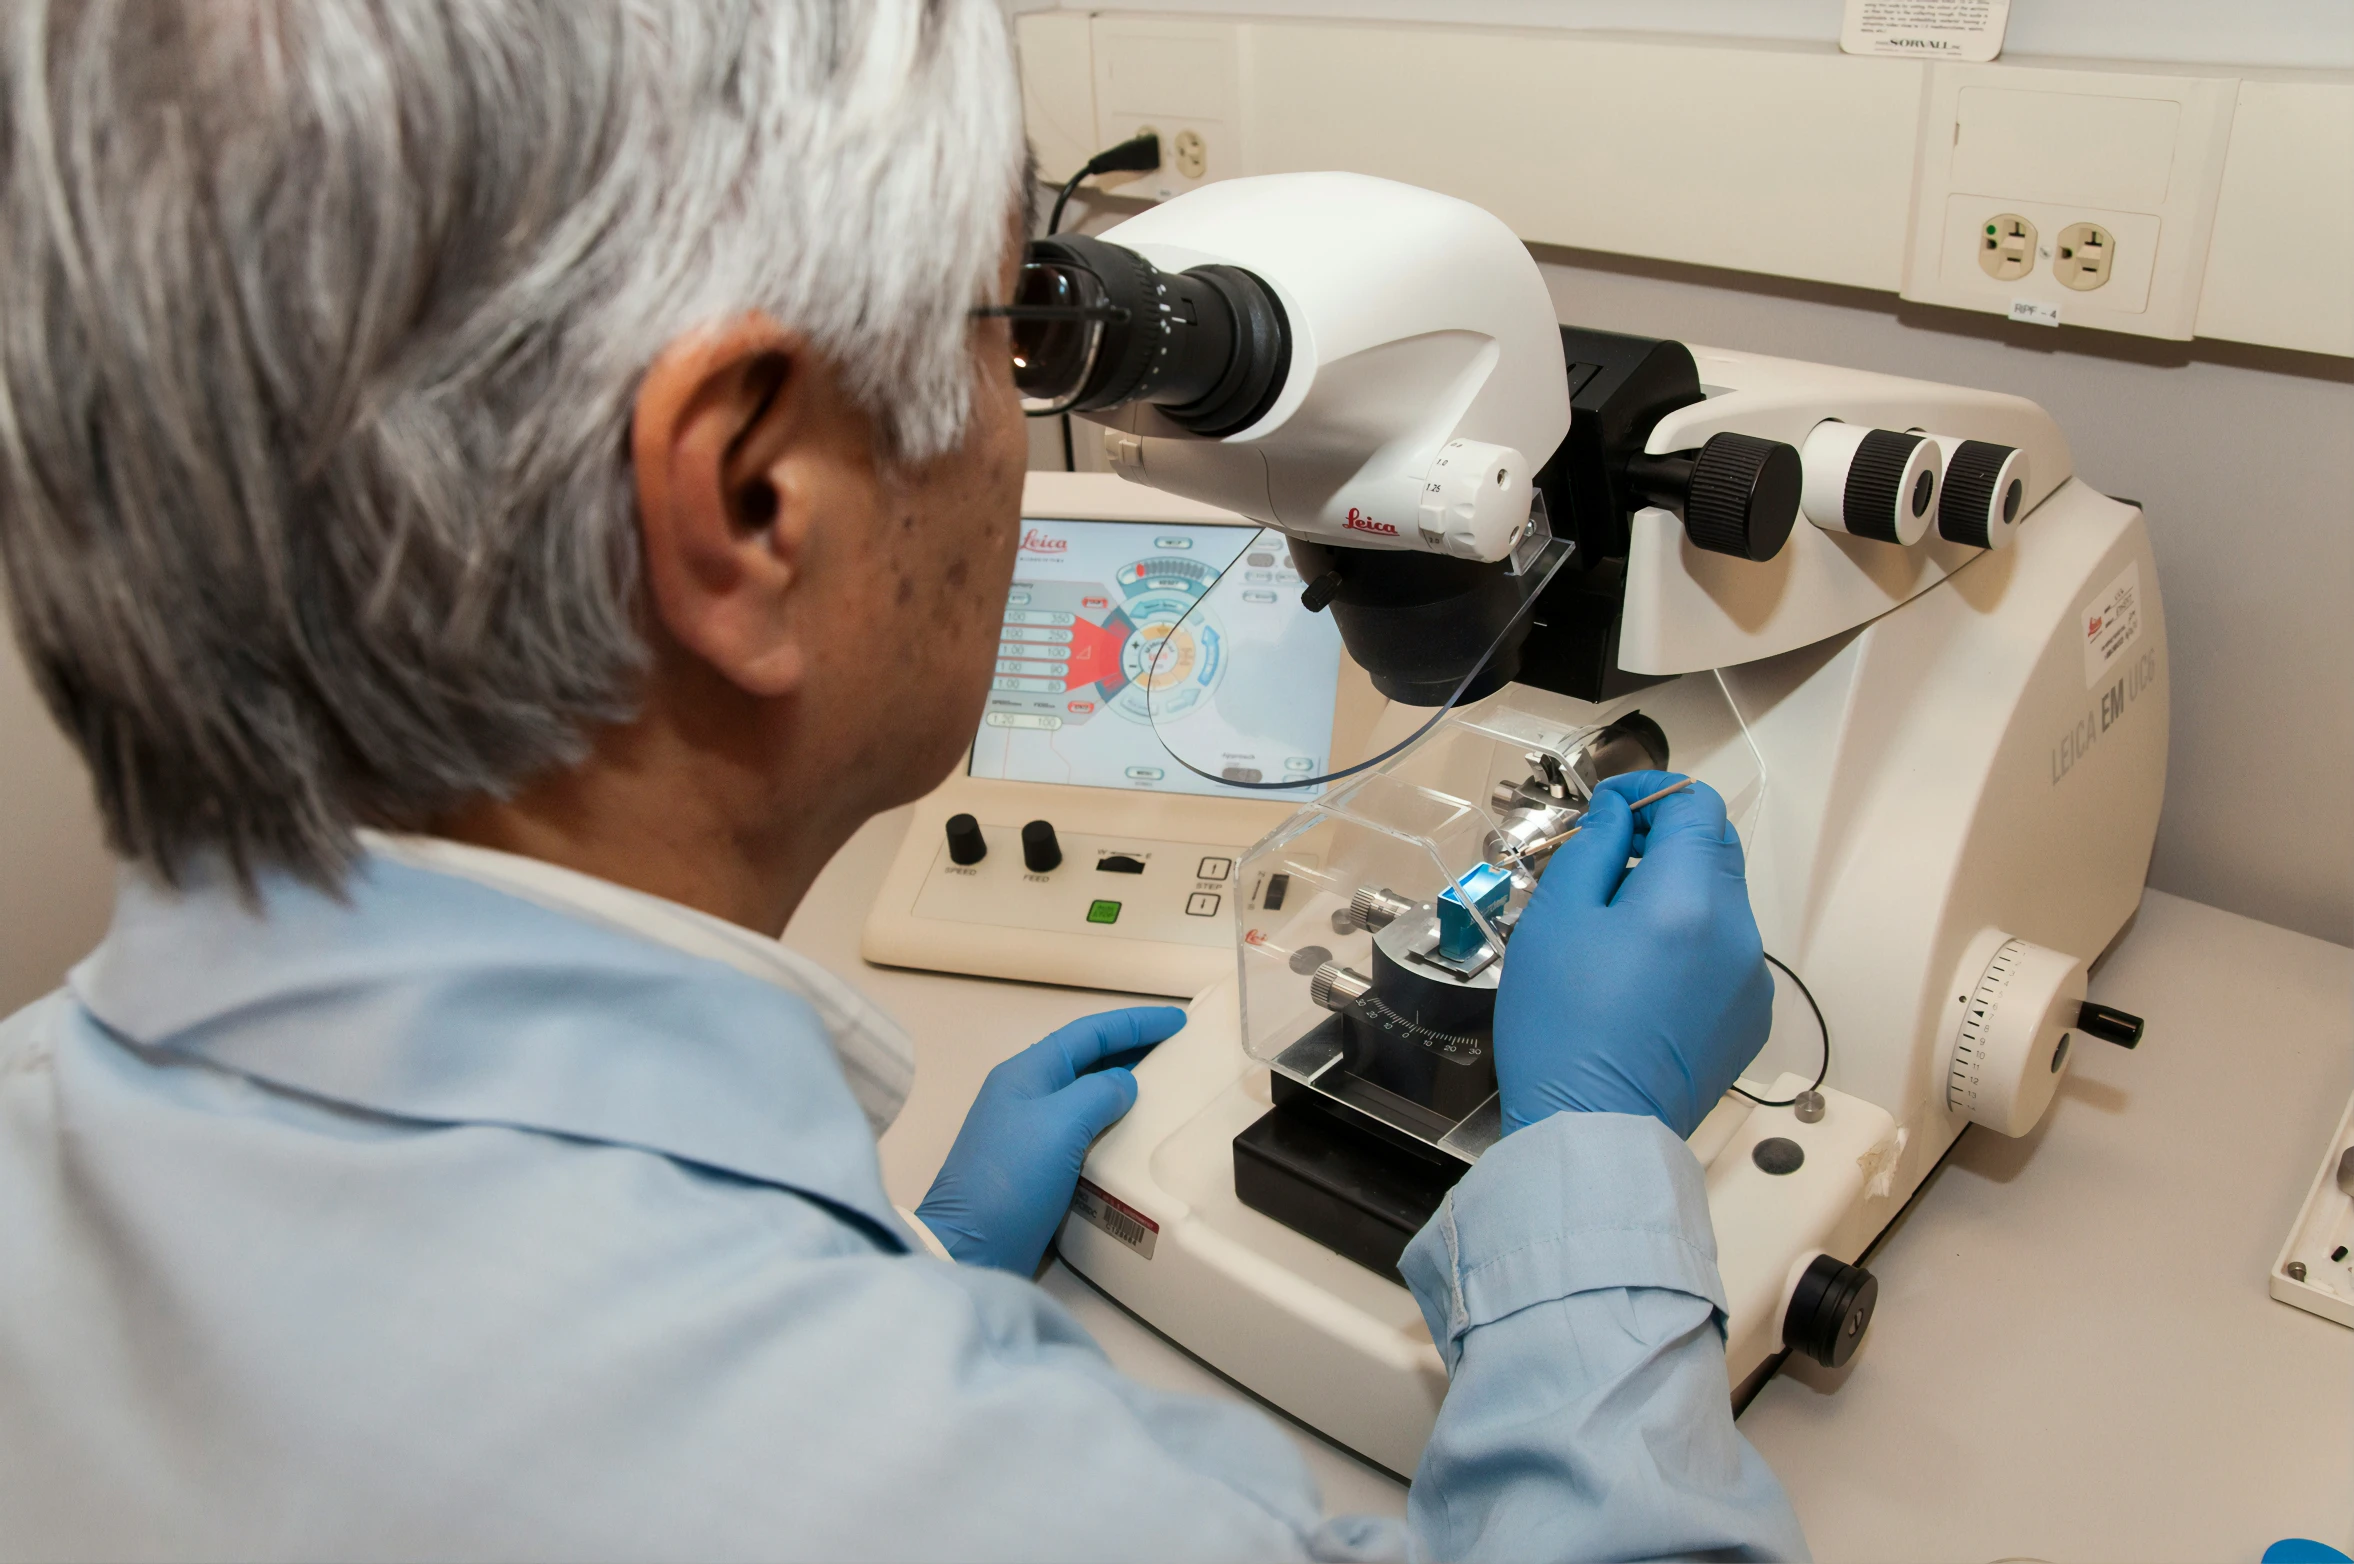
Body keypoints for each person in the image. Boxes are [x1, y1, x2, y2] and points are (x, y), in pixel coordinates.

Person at [0, 2, 1806, 1559]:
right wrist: (1592, 1165)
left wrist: (919, 1267)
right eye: (1013, 318)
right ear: (758, 506)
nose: (1026, 410)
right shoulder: (992, 1504)